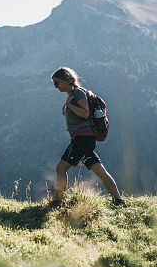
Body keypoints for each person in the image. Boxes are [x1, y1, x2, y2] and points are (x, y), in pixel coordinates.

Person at [51, 67, 126, 206]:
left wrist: (69, 106)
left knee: (61, 168)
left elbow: (85, 113)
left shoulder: (78, 93)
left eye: (57, 82)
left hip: (82, 138)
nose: (55, 86)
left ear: (66, 79)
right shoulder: (74, 95)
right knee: (100, 171)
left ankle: (58, 201)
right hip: (86, 139)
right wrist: (67, 107)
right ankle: (119, 200)